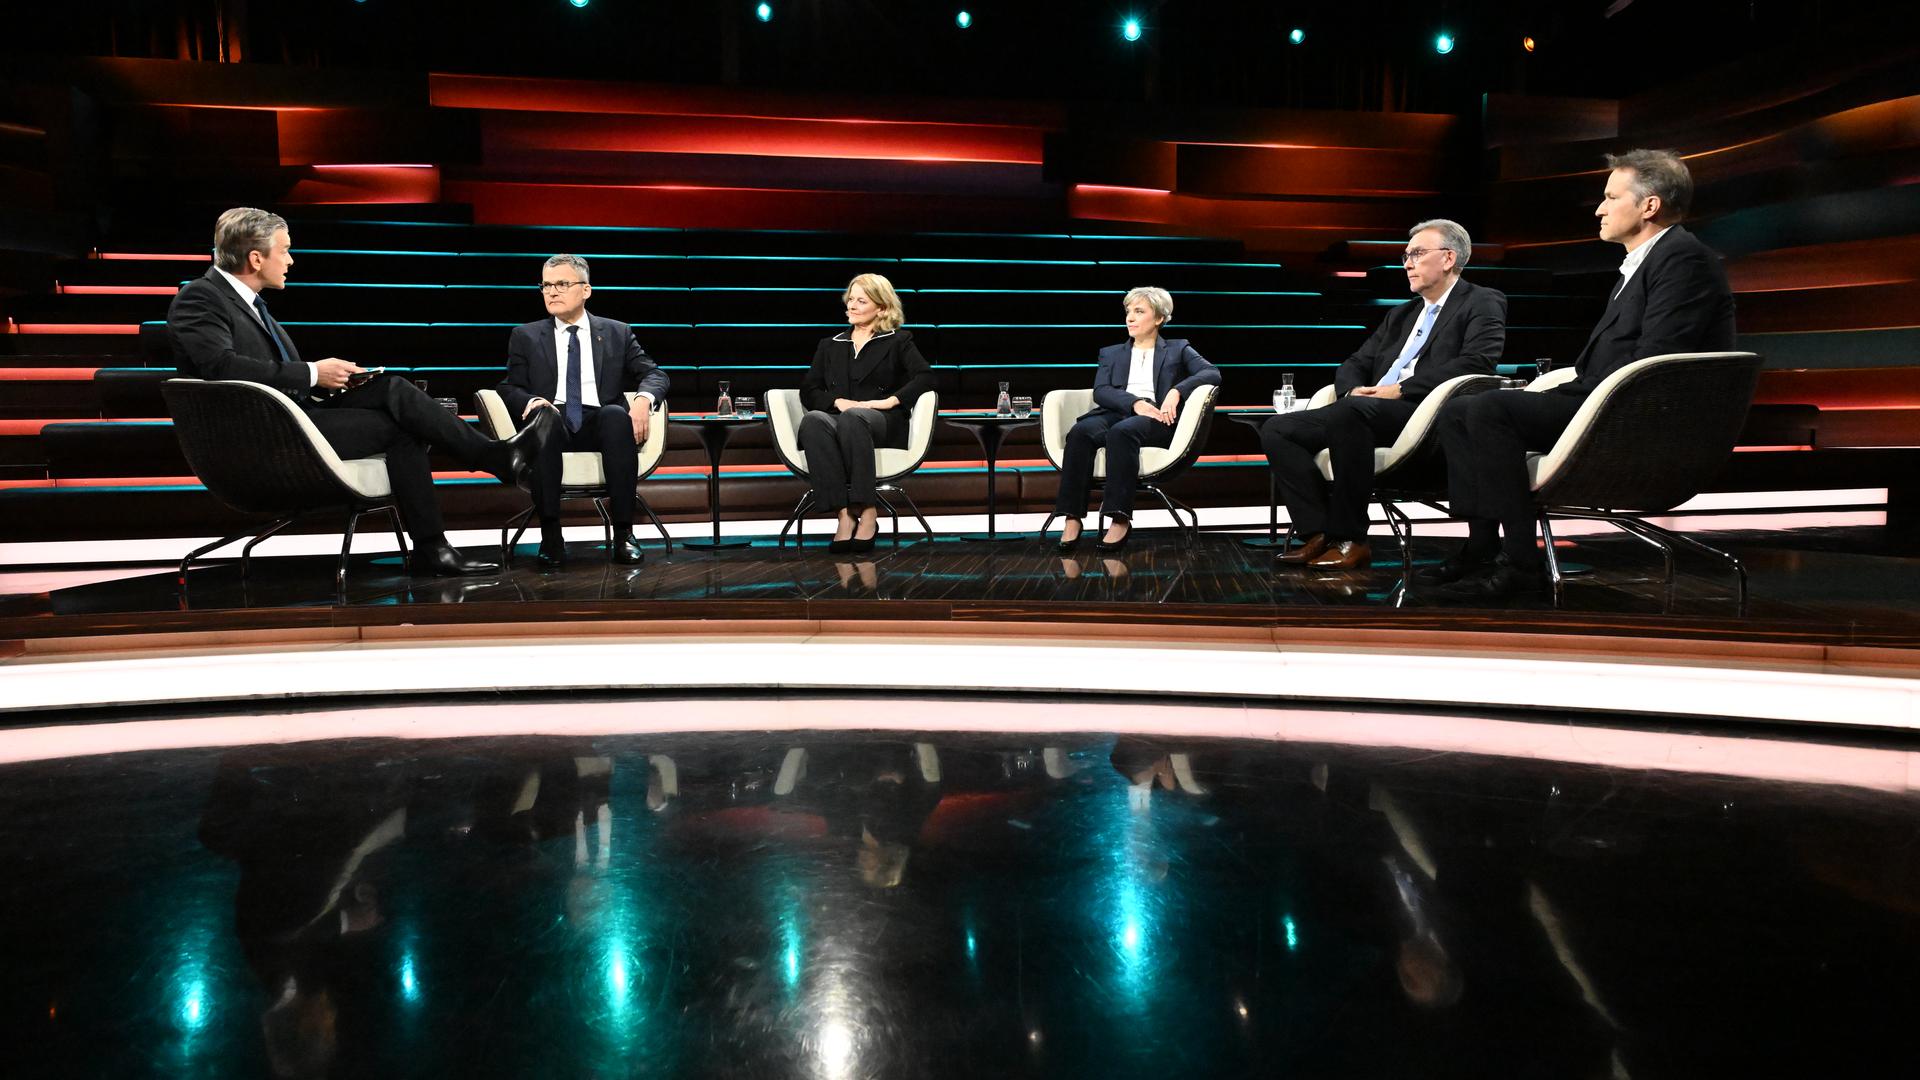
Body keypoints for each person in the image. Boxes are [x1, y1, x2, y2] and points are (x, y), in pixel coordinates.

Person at [166, 207, 550, 577]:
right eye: (284, 250)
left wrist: (332, 380)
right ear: (255, 258)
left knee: (391, 388)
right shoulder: (200, 297)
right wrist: (314, 373)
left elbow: (268, 375)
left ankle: (477, 488)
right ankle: (476, 488)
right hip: (262, 436)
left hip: (294, 417)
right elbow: (221, 367)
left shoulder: (249, 304)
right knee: (404, 429)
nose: (291, 260)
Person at [1427, 149, 1736, 600]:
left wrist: (1582, 391)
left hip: (1635, 413)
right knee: (1459, 412)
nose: (1599, 208)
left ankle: (1521, 566)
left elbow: (1660, 358)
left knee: (1491, 410)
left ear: (1649, 206)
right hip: (1603, 396)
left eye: (1611, 197)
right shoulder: (1647, 262)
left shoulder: (1684, 261)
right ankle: (1480, 548)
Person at [1261, 219, 1506, 570]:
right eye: (1406, 255)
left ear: (1449, 258)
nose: (1407, 263)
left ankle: (1352, 539)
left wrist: (1400, 389)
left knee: (1350, 414)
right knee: (1278, 430)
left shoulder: (1481, 301)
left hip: (1426, 411)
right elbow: (1356, 361)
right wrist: (1350, 389)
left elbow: (1478, 361)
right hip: (1371, 409)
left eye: (1417, 254)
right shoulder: (1401, 314)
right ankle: (1318, 533)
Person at [494, 254, 671, 568]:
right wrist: (532, 402)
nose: (552, 292)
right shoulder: (526, 335)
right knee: (545, 421)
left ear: (586, 290)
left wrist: (643, 401)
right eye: (546, 285)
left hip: (598, 422)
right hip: (554, 420)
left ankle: (623, 535)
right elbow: (509, 387)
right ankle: (551, 535)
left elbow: (655, 374)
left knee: (616, 415)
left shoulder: (617, 332)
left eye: (562, 284)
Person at [1049, 287, 1220, 551]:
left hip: (1155, 417)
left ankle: (1119, 517)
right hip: (1117, 411)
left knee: (1122, 433)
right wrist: (1134, 403)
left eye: (1139, 311)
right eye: (1128, 311)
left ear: (1159, 318)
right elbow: (1101, 391)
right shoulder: (1111, 353)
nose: (1130, 317)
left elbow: (1211, 373)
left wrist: (1176, 390)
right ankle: (1072, 517)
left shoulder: (1178, 349)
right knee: (1080, 432)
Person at [797, 273, 934, 553]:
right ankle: (843, 515)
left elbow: (925, 377)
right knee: (812, 421)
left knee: (854, 417)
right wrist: (837, 402)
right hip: (842, 417)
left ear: (881, 308)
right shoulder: (831, 343)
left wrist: (890, 401)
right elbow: (809, 390)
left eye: (862, 301)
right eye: (851, 300)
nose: (852, 306)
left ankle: (869, 510)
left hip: (882, 421)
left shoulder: (898, 341)